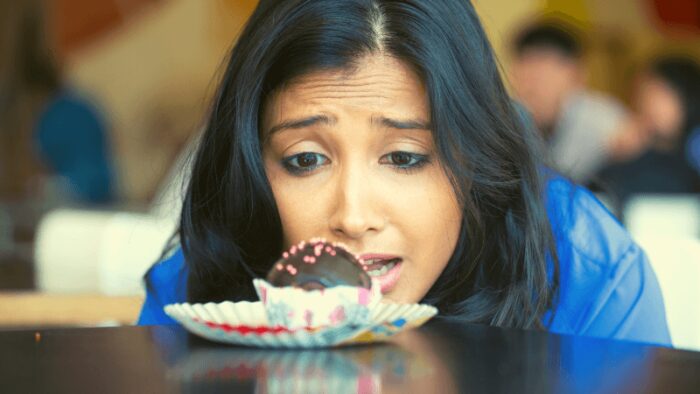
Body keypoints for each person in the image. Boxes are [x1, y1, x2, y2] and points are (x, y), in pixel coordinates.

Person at [138, 0, 671, 346]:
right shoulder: (210, 274)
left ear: (478, 157)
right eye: (305, 159)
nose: (352, 215)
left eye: (404, 157)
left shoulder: (587, 274)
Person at [510, 20, 631, 184]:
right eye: (525, 65)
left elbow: (626, 138)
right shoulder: (510, 118)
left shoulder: (601, 117)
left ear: (578, 75)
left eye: (544, 70)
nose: (530, 81)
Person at [597, 55, 700, 207]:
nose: (650, 103)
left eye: (662, 92)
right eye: (645, 93)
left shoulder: (693, 148)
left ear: (687, 97)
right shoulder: (630, 153)